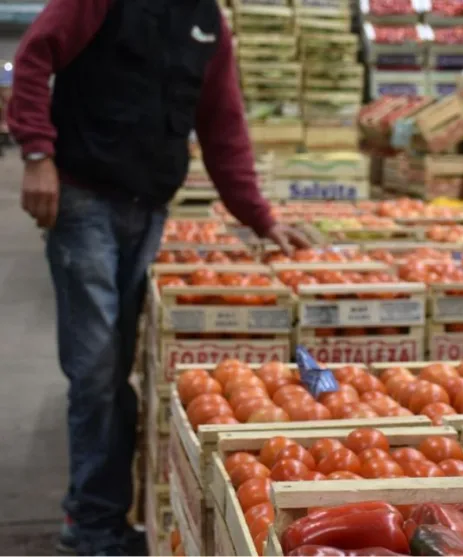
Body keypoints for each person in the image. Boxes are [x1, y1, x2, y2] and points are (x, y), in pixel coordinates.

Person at [7, 0, 310, 553]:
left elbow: (223, 125)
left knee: (115, 365)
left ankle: (105, 513)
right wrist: (35, 152)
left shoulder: (206, 21)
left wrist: (260, 217)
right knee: (97, 370)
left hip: (148, 210)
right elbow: (32, 57)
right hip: (83, 201)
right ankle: (91, 526)